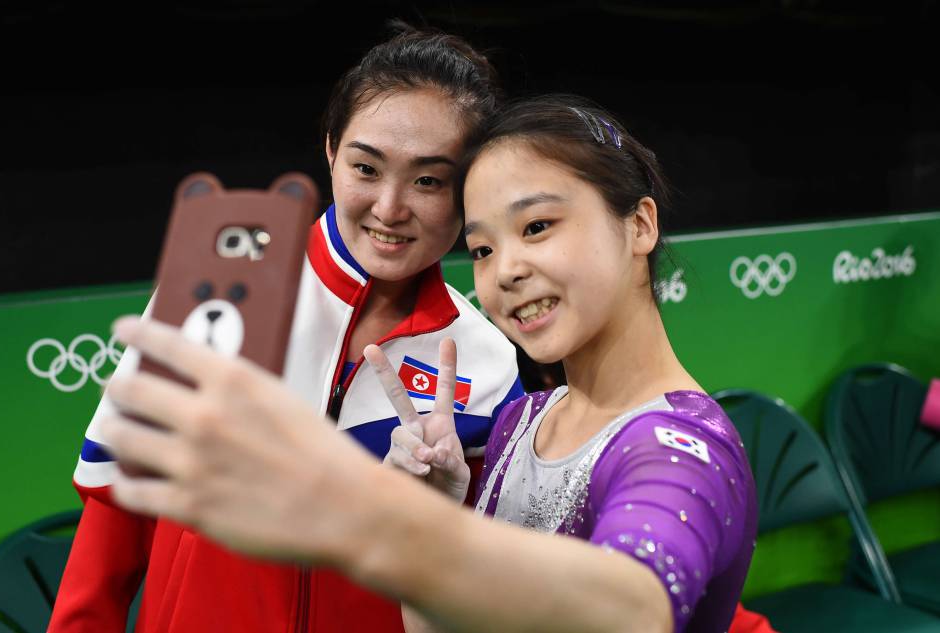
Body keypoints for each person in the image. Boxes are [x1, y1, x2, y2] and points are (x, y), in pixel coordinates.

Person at [99, 94, 758, 632]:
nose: (508, 271)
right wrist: (429, 512)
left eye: (536, 227)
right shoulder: (524, 420)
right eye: (481, 249)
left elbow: (637, 604)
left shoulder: (680, 446)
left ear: (639, 224)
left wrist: (391, 528)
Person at [48, 24, 522, 633]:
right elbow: (118, 499)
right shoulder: (221, 283)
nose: (389, 208)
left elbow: (480, 595)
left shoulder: (486, 363)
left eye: (429, 180)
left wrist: (439, 518)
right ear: (330, 151)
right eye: (366, 168)